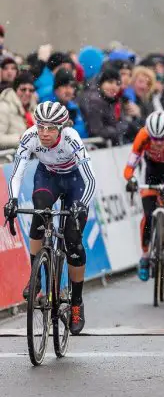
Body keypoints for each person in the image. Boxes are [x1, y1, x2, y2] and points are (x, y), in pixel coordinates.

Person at [4, 102, 96, 335]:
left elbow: (91, 179)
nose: (44, 133)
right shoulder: (30, 137)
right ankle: (35, 274)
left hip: (76, 182)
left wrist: (82, 204)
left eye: (51, 128)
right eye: (41, 127)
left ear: (61, 128)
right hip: (48, 177)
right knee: (39, 213)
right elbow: (17, 172)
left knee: (73, 239)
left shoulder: (71, 138)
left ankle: (76, 303)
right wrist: (13, 199)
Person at [124, 111, 164, 280]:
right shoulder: (143, 135)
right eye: (155, 139)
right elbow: (129, 167)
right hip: (151, 171)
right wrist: (131, 179)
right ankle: (145, 256)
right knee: (148, 216)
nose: (159, 142)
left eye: (163, 138)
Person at [80, 65, 139, 145]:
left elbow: (121, 123)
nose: (114, 87)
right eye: (110, 82)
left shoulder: (113, 100)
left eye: (117, 84)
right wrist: (119, 130)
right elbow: (96, 130)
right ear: (101, 84)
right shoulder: (93, 102)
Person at [0, 71, 37, 149]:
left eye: (31, 90)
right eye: (23, 89)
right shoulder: (4, 107)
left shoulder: (34, 108)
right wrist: (21, 139)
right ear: (16, 89)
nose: (27, 93)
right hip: (9, 158)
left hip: (30, 157)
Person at [53, 69, 88, 139]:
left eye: (71, 86)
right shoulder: (48, 109)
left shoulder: (75, 108)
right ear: (56, 90)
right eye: (65, 86)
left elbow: (82, 134)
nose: (69, 90)